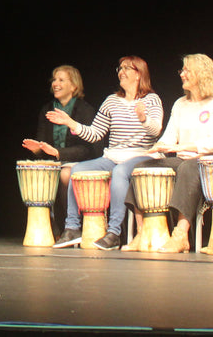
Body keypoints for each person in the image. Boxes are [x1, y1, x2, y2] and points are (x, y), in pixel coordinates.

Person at [46, 56, 163, 250]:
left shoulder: (151, 99)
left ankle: (114, 232)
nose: (121, 72)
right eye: (120, 68)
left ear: (139, 74)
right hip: (113, 155)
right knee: (77, 172)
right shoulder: (111, 101)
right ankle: (73, 227)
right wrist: (71, 123)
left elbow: (156, 130)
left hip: (141, 155)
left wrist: (143, 118)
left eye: (127, 68)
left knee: (119, 172)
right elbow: (96, 134)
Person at [131, 53, 213, 253]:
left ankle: (181, 234)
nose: (182, 74)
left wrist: (178, 148)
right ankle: (143, 232)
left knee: (188, 167)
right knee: (141, 168)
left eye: (187, 70)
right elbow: (169, 138)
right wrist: (158, 148)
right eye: (182, 70)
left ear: (201, 74)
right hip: (185, 159)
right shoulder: (179, 104)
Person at [20, 65, 100, 235]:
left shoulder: (85, 110)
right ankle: (50, 228)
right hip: (55, 162)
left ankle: (70, 226)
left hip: (80, 162)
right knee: (40, 173)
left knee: (64, 174)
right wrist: (37, 150)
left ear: (74, 86)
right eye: (54, 79)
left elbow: (89, 149)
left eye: (61, 80)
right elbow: (44, 145)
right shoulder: (47, 109)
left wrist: (59, 153)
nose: (55, 83)